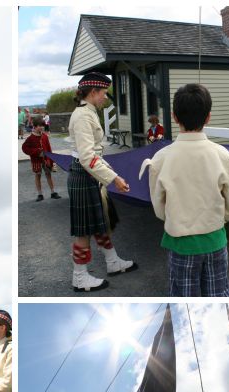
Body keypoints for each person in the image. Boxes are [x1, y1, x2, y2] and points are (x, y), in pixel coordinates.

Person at [140, 83, 229, 296]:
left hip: (180, 244)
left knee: (185, 297)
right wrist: (216, 219)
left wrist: (176, 218)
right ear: (208, 117)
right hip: (215, 240)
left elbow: (159, 208)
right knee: (219, 295)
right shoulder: (223, 156)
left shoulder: (161, 159)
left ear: (174, 116)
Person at [68, 71, 138, 292]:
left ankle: (112, 262)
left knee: (101, 223)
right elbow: (87, 157)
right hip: (84, 174)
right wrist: (114, 178)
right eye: (104, 93)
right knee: (84, 230)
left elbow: (94, 154)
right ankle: (79, 277)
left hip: (90, 174)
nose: (105, 97)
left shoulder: (88, 113)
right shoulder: (82, 117)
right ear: (92, 92)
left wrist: (109, 173)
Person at [22, 116, 62, 202]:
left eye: (42, 126)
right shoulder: (30, 138)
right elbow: (24, 148)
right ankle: (40, 194)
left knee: (48, 175)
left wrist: (52, 160)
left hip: (46, 159)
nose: (42, 127)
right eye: (40, 126)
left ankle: (53, 192)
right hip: (36, 161)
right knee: (38, 175)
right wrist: (36, 152)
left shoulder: (45, 137)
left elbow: (49, 149)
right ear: (35, 126)